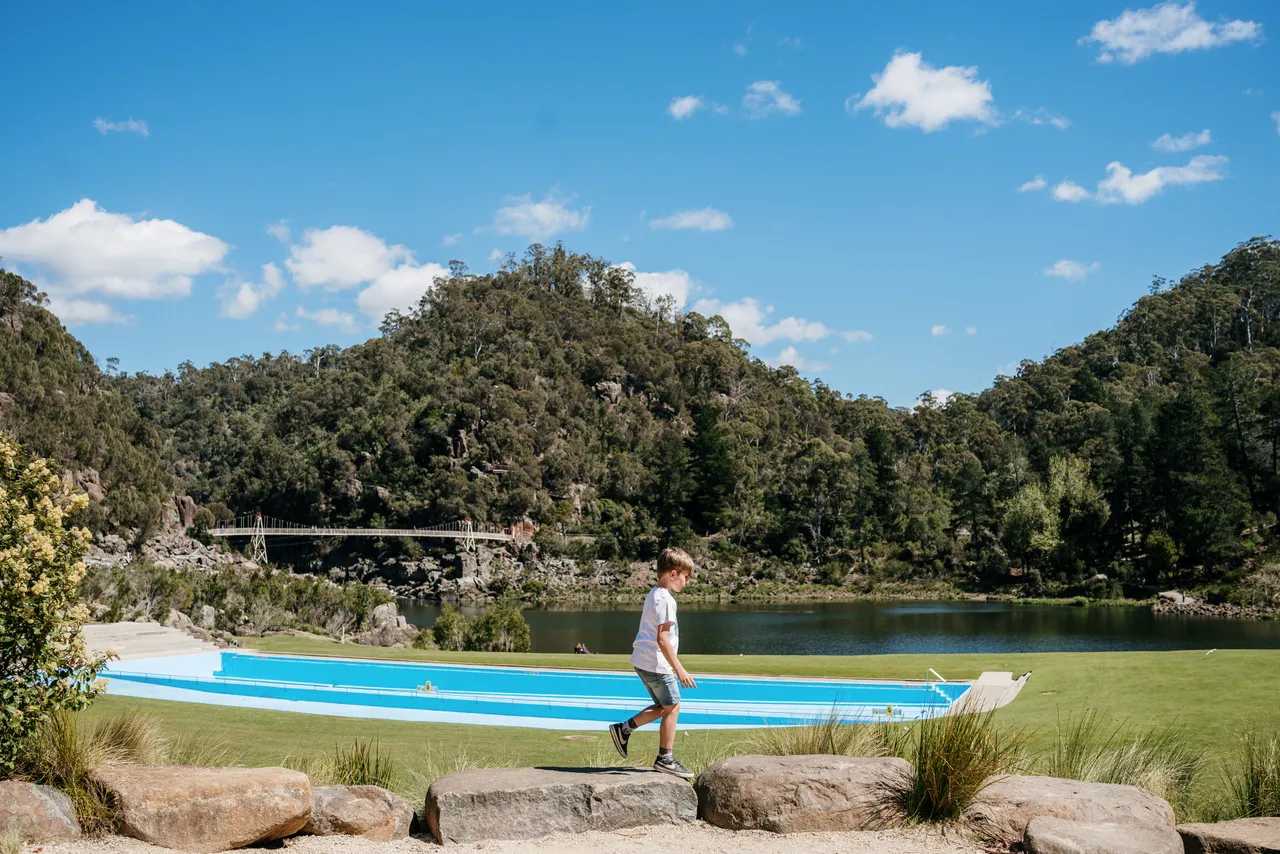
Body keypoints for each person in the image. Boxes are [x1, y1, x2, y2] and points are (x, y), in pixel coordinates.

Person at [609, 547, 697, 779]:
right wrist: (679, 669)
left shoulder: (655, 593)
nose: (687, 583)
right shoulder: (666, 600)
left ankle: (623, 729)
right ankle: (665, 758)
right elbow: (662, 639)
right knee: (673, 706)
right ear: (673, 573)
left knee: (664, 707)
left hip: (644, 661)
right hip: (656, 663)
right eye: (686, 577)